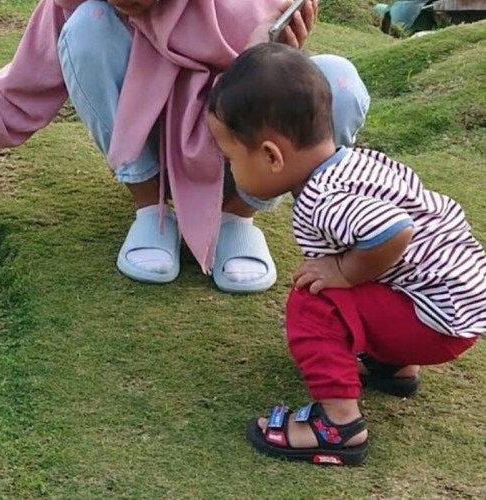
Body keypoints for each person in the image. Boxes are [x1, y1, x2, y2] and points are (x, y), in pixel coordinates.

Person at [0, 0, 367, 293]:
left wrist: (277, 50)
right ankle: (150, 209)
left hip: (236, 147)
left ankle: (238, 216)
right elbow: (18, 88)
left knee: (336, 84)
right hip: (153, 143)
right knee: (86, 27)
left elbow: (279, 96)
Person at [207, 42, 486, 466]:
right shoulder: (353, 162)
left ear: (271, 156)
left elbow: (395, 230)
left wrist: (342, 271)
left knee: (313, 296)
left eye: (230, 157)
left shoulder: (324, 198)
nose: (230, 168)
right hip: (454, 302)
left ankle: (339, 424)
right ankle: (393, 365)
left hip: (437, 321)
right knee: (357, 271)